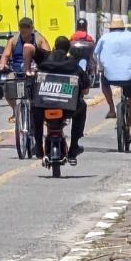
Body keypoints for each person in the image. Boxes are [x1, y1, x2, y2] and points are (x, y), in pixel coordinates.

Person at [34, 36, 91, 165]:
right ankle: (74, 146)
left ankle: (38, 146)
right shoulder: (74, 65)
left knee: (35, 110)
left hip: (44, 107)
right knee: (82, 107)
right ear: (68, 50)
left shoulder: (44, 63)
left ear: (54, 47)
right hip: (67, 109)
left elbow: (29, 48)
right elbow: (86, 89)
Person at [94, 14, 131, 145]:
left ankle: (112, 108)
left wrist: (101, 67)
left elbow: (95, 54)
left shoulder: (104, 38)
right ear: (123, 28)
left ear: (111, 29)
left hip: (109, 76)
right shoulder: (130, 36)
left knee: (104, 82)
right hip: (129, 77)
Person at [0, 17, 51, 122]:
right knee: (7, 86)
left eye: (27, 27)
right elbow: (5, 55)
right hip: (18, 72)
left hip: (35, 71)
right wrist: (2, 64)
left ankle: (42, 113)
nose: (24, 30)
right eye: (22, 27)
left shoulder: (39, 39)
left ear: (32, 28)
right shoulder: (13, 40)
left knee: (45, 86)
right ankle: (15, 110)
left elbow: (48, 55)